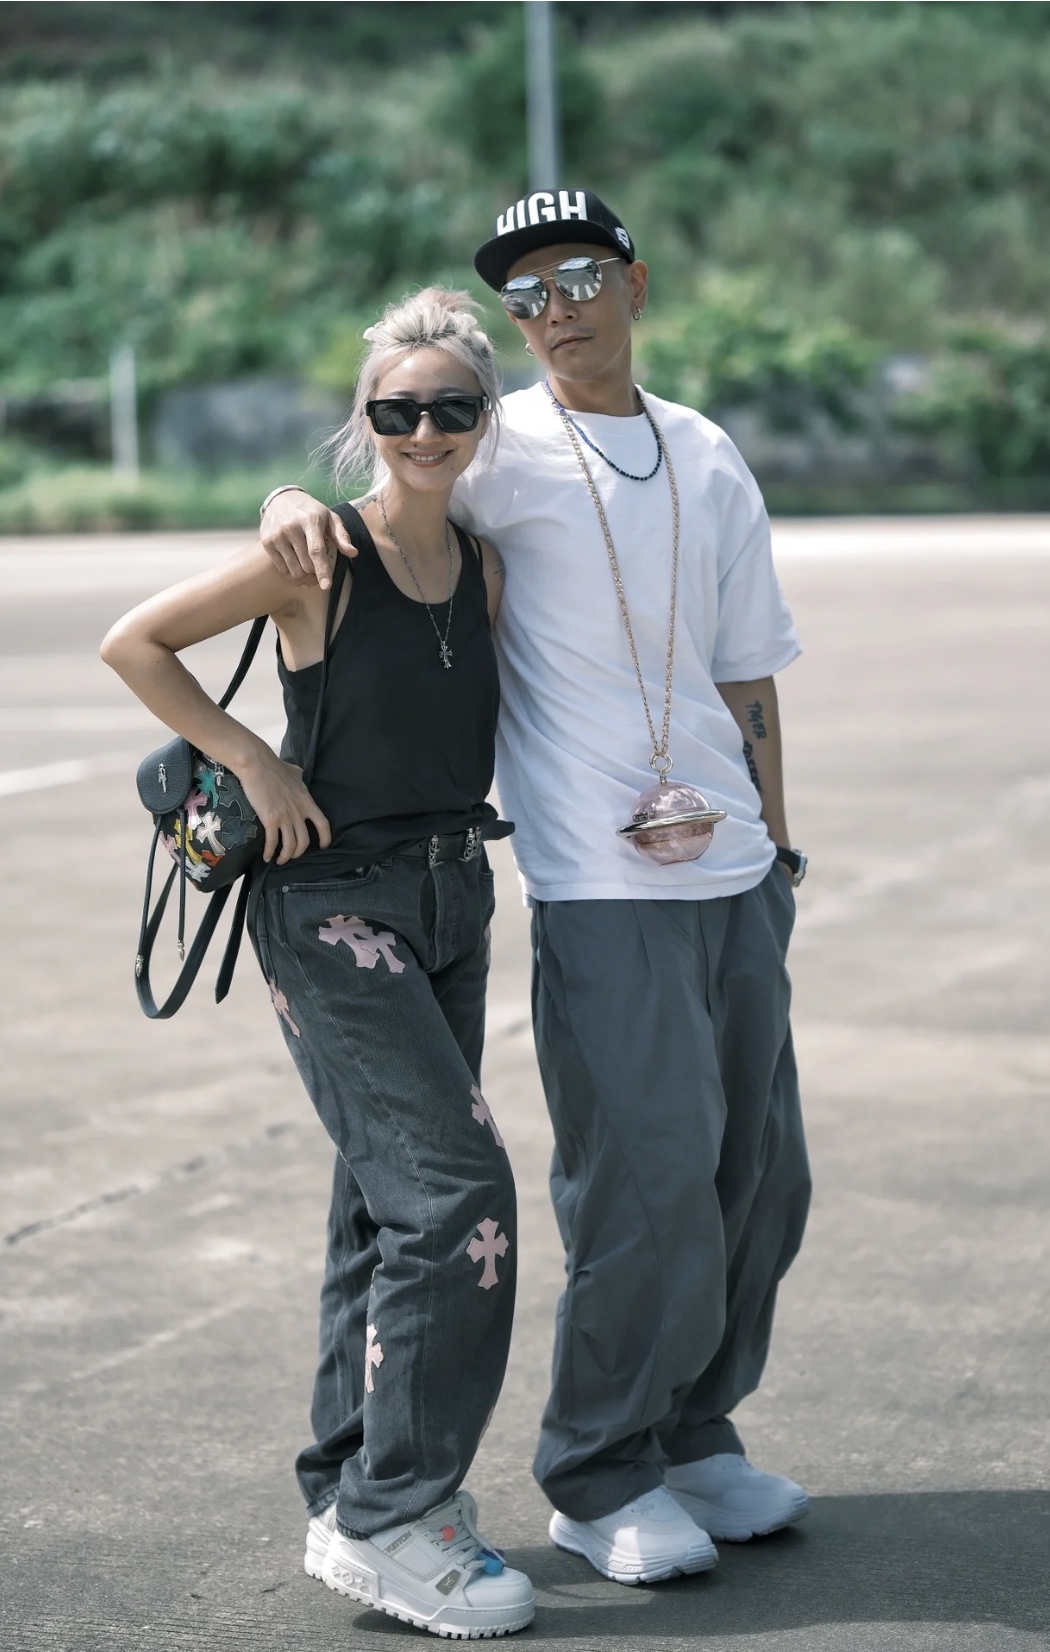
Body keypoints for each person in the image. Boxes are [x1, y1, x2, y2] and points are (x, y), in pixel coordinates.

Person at [259, 189, 812, 1589]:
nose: (553, 309)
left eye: (577, 278)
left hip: (736, 868)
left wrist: (779, 847)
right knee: (647, 1183)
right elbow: (377, 490)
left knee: (759, 1178)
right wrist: (283, 501)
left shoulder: (704, 450)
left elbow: (746, 670)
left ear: (635, 284)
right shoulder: (491, 448)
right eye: (525, 294)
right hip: (600, 879)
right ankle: (600, 1469)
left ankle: (693, 1430)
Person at [100, 288, 536, 1639]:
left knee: (381, 1206)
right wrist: (249, 756)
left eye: (450, 408)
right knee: (459, 1201)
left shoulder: (484, 564)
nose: (424, 431)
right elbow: (135, 641)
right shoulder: (318, 555)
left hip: (452, 899)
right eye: (396, 411)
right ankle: (399, 1515)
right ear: (367, 421)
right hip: (330, 906)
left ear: (483, 418)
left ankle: (353, 1489)